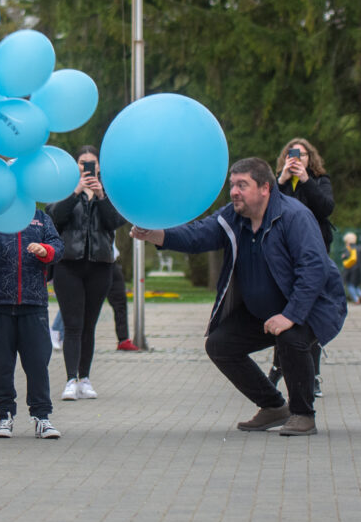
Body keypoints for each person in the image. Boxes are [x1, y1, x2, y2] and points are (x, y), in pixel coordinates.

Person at [131, 157, 348, 437]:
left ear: (265, 188)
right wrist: (156, 235)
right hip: (265, 310)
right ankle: (273, 407)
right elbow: (198, 235)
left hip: (314, 306)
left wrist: (291, 315)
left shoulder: (294, 216)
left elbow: (313, 269)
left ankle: (303, 414)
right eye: (232, 185)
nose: (234, 192)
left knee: (291, 338)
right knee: (219, 345)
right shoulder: (233, 217)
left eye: (242, 185)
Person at [0, 210, 64, 439]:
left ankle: (41, 416)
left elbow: (58, 246)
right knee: (1, 364)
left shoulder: (40, 217)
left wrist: (46, 251)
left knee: (37, 363)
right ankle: (4, 415)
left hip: (34, 302)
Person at [46, 145, 126, 401]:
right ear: (76, 166)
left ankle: (85, 379)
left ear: (99, 167)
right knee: (73, 325)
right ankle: (71, 380)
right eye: (83, 163)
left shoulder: (109, 193)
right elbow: (54, 216)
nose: (87, 167)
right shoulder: (64, 189)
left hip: (100, 265)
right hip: (68, 265)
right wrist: (76, 191)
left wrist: (100, 195)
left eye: (92, 163)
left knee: (89, 325)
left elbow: (115, 222)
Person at [270, 138, 334, 395]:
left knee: (310, 315)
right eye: (292, 155)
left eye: (302, 155)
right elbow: (268, 208)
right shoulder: (280, 182)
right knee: (284, 313)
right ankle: (277, 368)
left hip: (314, 255)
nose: (297, 159)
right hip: (285, 256)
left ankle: (313, 374)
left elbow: (326, 208)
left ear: (311, 159)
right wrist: (281, 180)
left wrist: (306, 180)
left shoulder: (319, 180)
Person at [105, 245, 140, 351]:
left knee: (120, 302)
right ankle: (71, 336)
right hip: (94, 262)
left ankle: (123, 340)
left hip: (111, 262)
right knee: (87, 304)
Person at [340, 232, 361, 304]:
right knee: (356, 285)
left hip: (349, 270)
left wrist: (343, 256)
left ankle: (356, 299)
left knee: (350, 285)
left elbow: (346, 259)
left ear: (347, 241)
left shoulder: (348, 249)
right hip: (359, 269)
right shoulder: (360, 248)